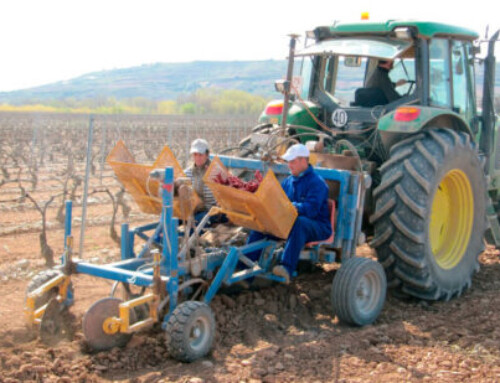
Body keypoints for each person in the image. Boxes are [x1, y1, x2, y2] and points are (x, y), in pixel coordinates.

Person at [246, 143, 332, 283]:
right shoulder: (289, 181)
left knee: (300, 223)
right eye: (288, 162)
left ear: (304, 161)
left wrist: (288, 206)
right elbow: (278, 200)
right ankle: (245, 271)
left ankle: (286, 268)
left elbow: (311, 210)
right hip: (291, 222)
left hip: (317, 226)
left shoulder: (318, 183)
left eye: (293, 162)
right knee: (261, 226)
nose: (289, 165)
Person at [183, 138, 217, 223]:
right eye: (195, 154)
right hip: (193, 210)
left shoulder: (215, 173)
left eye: (200, 155)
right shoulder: (187, 173)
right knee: (170, 219)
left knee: (195, 224)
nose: (197, 158)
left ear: (207, 154)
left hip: (211, 212)